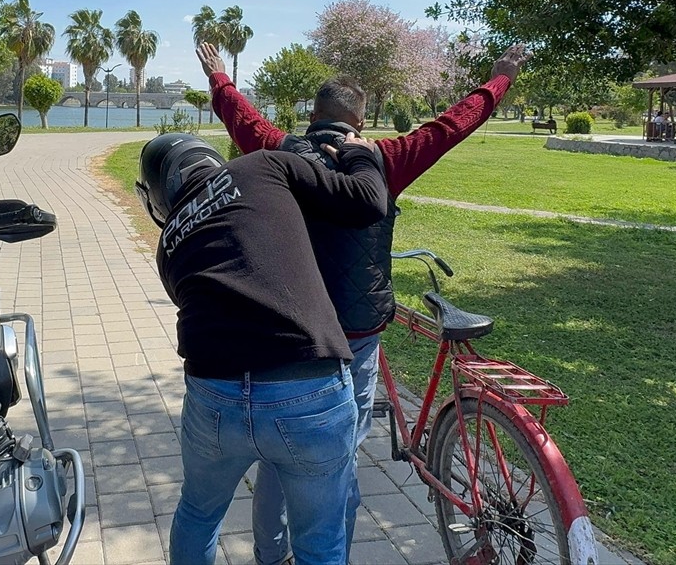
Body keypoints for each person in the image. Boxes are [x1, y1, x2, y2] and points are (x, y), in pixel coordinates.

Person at [198, 41, 528, 564]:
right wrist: (500, 79)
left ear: (313, 115)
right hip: (355, 337)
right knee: (337, 463)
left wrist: (219, 76)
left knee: (279, 463)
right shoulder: (386, 159)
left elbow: (240, 115)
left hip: (291, 335)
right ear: (362, 119)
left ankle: (271, 555)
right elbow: (451, 126)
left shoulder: (276, 151)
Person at [137, 131, 389, 565]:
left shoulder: (168, 245)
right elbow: (368, 201)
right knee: (320, 540)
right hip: (308, 387)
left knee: (198, 511)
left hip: (213, 394)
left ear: (160, 195)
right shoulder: (264, 164)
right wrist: (358, 153)